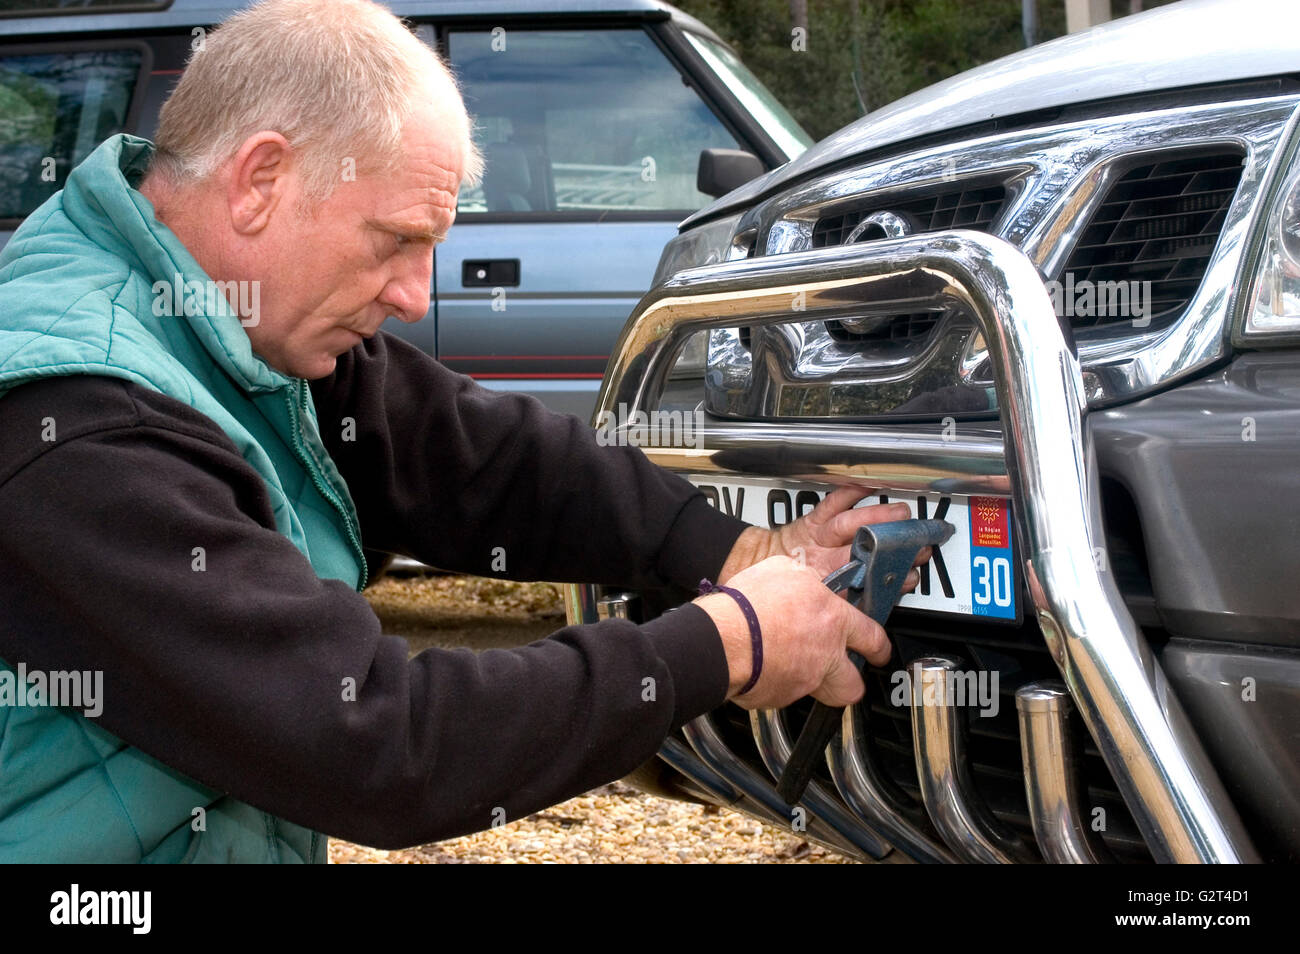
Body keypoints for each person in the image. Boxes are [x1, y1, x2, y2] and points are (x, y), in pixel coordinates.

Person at [0, 0, 914, 863]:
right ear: (260, 182)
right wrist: (729, 644)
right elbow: (372, 740)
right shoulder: (81, 420)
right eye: (396, 241)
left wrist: (742, 547)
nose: (415, 296)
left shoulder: (231, 324)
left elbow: (481, 456)